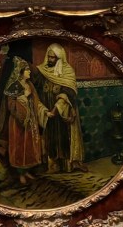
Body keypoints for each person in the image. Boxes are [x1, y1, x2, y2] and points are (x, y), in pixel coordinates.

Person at [31, 43, 85, 174]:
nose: (50, 60)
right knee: (50, 138)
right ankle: (52, 165)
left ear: (59, 58)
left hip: (62, 112)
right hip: (47, 111)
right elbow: (36, 87)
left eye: (53, 58)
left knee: (64, 138)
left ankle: (67, 165)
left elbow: (68, 93)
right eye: (49, 57)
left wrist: (55, 110)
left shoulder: (67, 71)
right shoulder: (42, 71)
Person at [4, 58, 42, 185]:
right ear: (20, 72)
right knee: (19, 146)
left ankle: (26, 171)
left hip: (30, 120)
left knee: (29, 145)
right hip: (17, 122)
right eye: (27, 70)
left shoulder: (30, 85)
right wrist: (23, 97)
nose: (29, 72)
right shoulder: (14, 86)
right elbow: (10, 105)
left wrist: (32, 107)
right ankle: (20, 173)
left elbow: (35, 101)